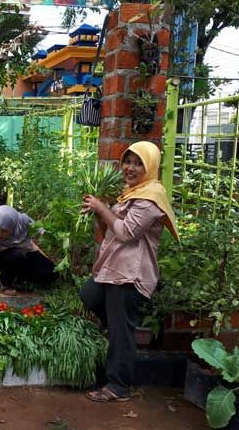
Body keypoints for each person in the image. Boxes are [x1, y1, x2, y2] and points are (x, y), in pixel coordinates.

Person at [79, 141, 179, 403]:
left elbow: (126, 233)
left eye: (138, 163)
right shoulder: (132, 192)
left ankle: (118, 386)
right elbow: (112, 229)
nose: (130, 168)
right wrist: (97, 213)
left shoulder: (150, 198)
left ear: (151, 167)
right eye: (128, 161)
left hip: (130, 275)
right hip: (115, 268)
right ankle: (119, 333)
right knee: (89, 295)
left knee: (121, 332)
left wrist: (102, 207)